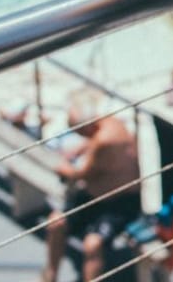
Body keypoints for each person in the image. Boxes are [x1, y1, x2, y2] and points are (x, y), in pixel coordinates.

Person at [42, 93, 143, 282]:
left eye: (78, 131)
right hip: (92, 197)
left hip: (119, 203)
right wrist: (80, 148)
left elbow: (81, 174)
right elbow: (92, 143)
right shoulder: (108, 124)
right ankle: (50, 275)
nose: (77, 135)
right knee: (56, 222)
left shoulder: (104, 141)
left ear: (87, 127)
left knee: (92, 244)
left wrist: (63, 167)